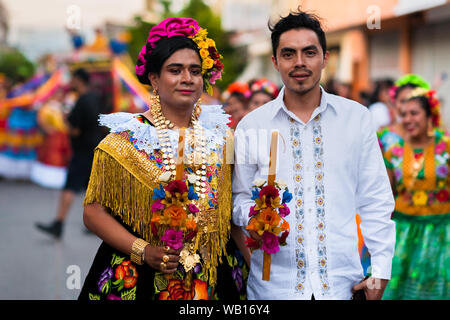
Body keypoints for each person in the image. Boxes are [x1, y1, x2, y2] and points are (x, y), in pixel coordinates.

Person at [232, 9, 396, 300]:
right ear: (275, 62)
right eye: (288, 54)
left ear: (325, 58)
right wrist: (256, 216)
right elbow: (238, 198)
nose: (299, 63)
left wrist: (380, 271)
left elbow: (376, 200)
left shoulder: (355, 118)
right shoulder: (251, 126)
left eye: (309, 52)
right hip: (273, 289)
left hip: (341, 286)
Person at [78, 17, 245, 300]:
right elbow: (93, 213)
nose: (187, 79)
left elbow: (230, 212)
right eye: (175, 70)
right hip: (140, 276)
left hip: (212, 277)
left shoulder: (222, 137)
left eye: (194, 70)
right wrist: (142, 250)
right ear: (154, 78)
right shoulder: (122, 141)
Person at [382, 88, 449, 300]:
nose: (408, 119)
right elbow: (386, 196)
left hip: (441, 233)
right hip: (403, 234)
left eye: (414, 113)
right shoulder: (393, 152)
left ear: (429, 115)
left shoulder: (446, 148)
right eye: (404, 115)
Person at [35, 68, 105, 238]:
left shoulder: (81, 101)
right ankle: (97, 224)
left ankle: (59, 223)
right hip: (98, 148)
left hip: (82, 151)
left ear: (78, 80)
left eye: (72, 79)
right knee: (94, 188)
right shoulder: (96, 98)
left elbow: (75, 131)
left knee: (70, 187)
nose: (70, 82)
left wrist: (64, 121)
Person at [377, 74, 431, 154]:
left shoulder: (439, 138)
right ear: (394, 102)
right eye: (403, 101)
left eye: (412, 100)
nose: (407, 106)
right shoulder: (382, 136)